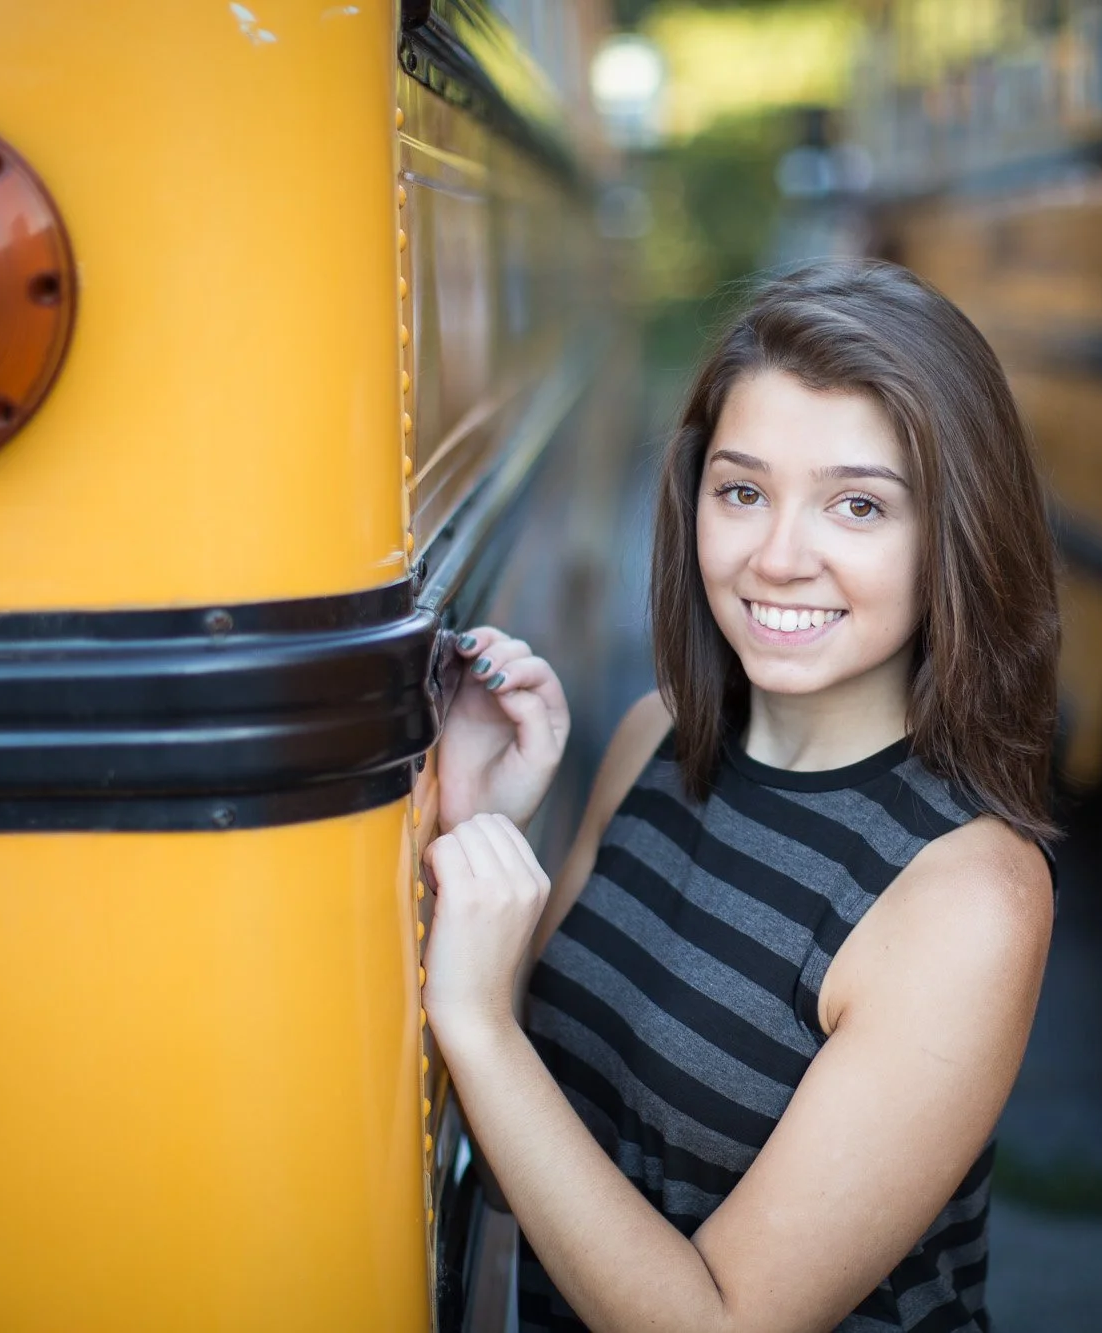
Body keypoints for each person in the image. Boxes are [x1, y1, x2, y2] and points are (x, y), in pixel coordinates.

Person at [422, 259, 1061, 1332]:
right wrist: (485, 819)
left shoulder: (965, 895)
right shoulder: (657, 741)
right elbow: (556, 1110)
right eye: (742, 490)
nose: (776, 556)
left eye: (856, 506)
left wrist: (479, 1029)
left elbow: (722, 1322)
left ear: (953, 531)